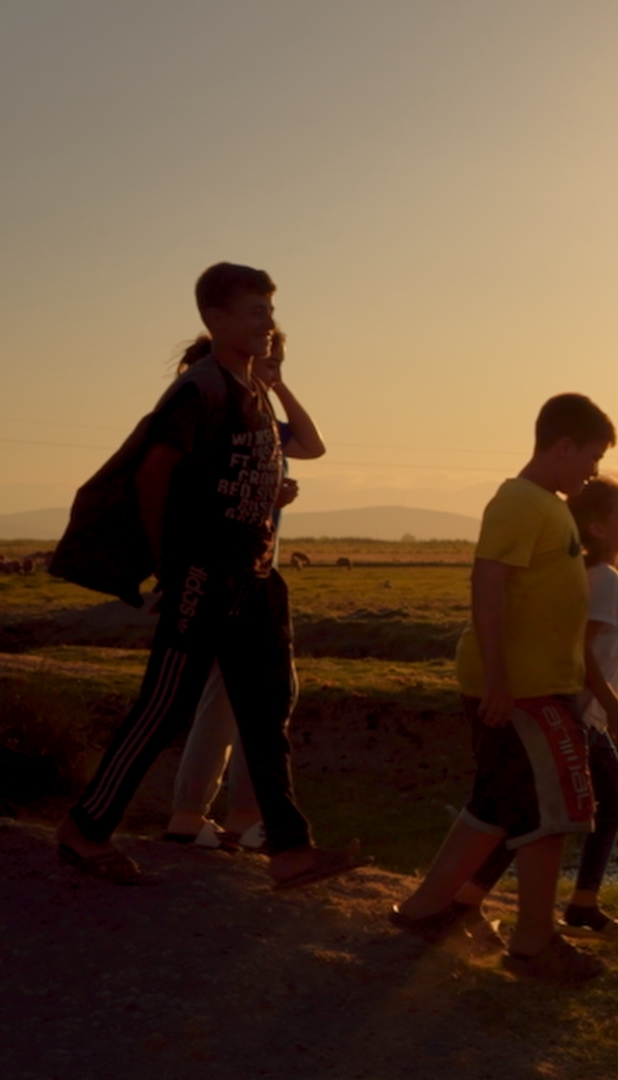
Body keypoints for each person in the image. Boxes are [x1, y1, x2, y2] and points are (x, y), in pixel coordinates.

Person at [54, 262, 365, 889]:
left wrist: (276, 392)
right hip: (204, 574)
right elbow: (152, 475)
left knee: (267, 707)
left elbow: (300, 446)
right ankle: (84, 831)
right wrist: (172, 565)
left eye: (271, 313)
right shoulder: (201, 390)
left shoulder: (250, 390)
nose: (269, 323)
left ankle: (290, 849)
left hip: (255, 577)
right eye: (257, 312)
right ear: (216, 318)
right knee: (164, 707)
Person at [388, 393, 615, 985]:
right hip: (523, 690)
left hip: (535, 685)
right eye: (589, 458)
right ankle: (534, 941)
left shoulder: (547, 504)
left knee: (496, 804)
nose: (591, 472)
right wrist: (499, 679)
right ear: (561, 446)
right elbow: (488, 584)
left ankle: (426, 910)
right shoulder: (519, 502)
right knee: (552, 815)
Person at [449, 476, 618, 944]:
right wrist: (610, 709)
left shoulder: (590, 576)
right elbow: (584, 653)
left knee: (533, 806)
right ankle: (494, 902)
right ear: (598, 528)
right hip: (578, 715)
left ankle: (487, 898)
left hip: (577, 712)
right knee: (552, 810)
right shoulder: (606, 583)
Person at [164, 329, 323, 852]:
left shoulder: (262, 423)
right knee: (240, 698)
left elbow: (313, 444)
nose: (272, 365)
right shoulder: (223, 419)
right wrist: (266, 492)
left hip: (253, 573)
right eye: (268, 358)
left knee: (240, 697)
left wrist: (278, 387)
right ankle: (205, 817)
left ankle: (226, 817)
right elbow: (206, 492)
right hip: (229, 574)